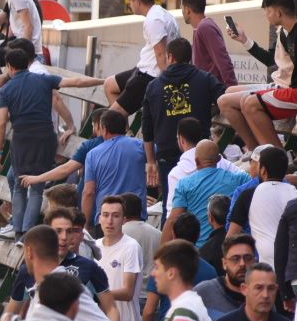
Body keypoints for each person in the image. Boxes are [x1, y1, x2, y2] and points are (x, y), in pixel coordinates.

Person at [0, 44, 104, 238]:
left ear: (9, 66)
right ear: (27, 63)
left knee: (19, 186)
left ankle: (17, 230)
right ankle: (26, 232)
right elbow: (76, 82)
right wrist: (103, 80)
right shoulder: (44, 80)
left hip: (22, 139)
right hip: (45, 137)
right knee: (36, 188)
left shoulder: (6, 89)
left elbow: (1, 122)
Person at [220, 0, 297, 149]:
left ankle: (274, 155)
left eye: (268, 11)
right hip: (288, 89)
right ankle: (257, 151)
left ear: (278, 12)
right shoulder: (286, 32)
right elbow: (271, 59)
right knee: (229, 96)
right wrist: (244, 39)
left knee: (248, 103)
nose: (267, 15)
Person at [142, 39, 225, 215]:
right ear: (190, 57)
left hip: (166, 152)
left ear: (170, 57)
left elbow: (147, 129)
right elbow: (223, 99)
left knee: (171, 205)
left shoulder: (153, 86)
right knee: (204, 203)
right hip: (201, 152)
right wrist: (208, 113)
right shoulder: (205, 78)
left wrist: (151, 161)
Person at [103, 0, 180, 115]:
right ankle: (127, 131)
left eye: (131, 1)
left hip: (149, 75)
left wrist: (167, 83)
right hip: (143, 68)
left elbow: (161, 54)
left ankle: (122, 132)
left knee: (112, 116)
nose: (130, 5)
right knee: (109, 85)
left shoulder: (154, 20)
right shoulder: (163, 14)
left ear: (137, 1)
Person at [167, 140, 250, 247]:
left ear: (196, 161)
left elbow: (172, 220)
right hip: (232, 248)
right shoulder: (239, 179)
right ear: (219, 159)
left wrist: (162, 255)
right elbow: (258, 182)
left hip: (200, 251)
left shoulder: (184, 184)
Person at [80, 109, 146, 226]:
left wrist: (85, 225)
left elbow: (88, 192)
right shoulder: (140, 145)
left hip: (106, 219)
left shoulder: (93, 154)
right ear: (124, 127)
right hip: (135, 218)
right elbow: (162, 155)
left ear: (104, 128)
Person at [180, 0, 237, 88]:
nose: (182, 12)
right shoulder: (201, 27)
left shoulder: (205, 27)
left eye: (182, 8)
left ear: (187, 10)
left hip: (213, 92)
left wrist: (232, 89)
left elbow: (223, 60)